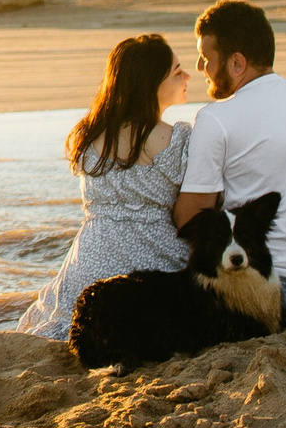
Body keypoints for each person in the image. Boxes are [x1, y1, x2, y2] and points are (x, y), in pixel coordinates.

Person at [172, 0, 286, 313]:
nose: (200, 67)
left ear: (237, 63)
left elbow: (188, 218)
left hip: (271, 288)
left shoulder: (217, 118)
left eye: (206, 57)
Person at [16, 34, 194, 339]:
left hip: (91, 259)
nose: (187, 76)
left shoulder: (88, 134)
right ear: (150, 83)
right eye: (177, 71)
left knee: (69, 320)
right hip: (155, 262)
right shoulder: (177, 139)